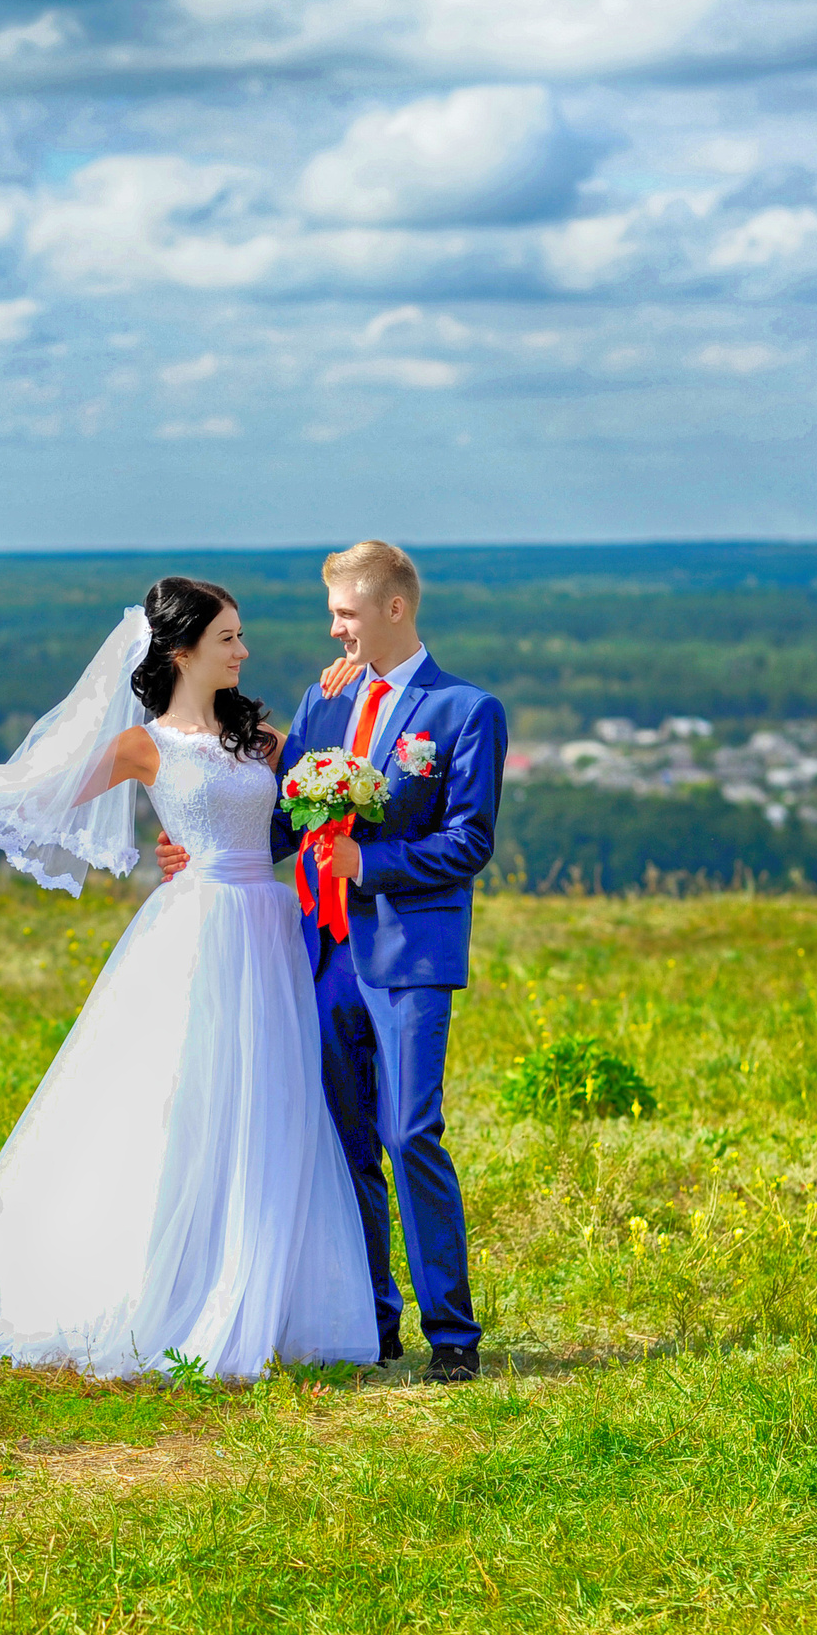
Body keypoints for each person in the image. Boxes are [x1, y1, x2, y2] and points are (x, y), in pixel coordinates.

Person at [0, 578, 377, 1380]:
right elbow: (27, 795)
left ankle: (268, 1294)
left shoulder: (262, 738)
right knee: (181, 1097)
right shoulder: (142, 746)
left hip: (268, 928)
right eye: (229, 637)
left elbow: (325, 788)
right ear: (182, 651)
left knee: (271, 1099)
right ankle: (167, 1284)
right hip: (197, 931)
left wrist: (350, 683)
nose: (244, 650)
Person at [158, 541, 506, 1383]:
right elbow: (283, 815)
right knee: (343, 1138)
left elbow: (470, 841)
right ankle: (370, 1319)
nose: (335, 629)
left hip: (408, 951)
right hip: (317, 953)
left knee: (409, 1130)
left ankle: (452, 1335)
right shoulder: (322, 699)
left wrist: (371, 866)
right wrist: (205, 851)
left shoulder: (466, 711)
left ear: (394, 609)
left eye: (346, 614)